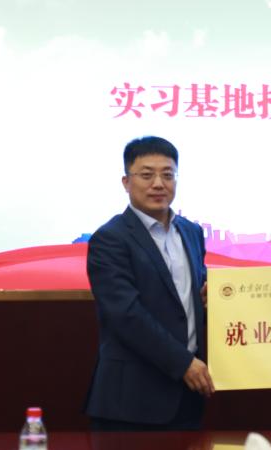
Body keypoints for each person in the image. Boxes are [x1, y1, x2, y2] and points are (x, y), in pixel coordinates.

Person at [84, 136, 214, 430]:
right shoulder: (110, 239)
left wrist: (209, 298)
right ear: (126, 182)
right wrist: (183, 363)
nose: (158, 184)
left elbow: (188, 302)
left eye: (167, 175)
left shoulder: (192, 232)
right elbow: (125, 315)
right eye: (146, 175)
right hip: (132, 401)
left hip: (188, 395)